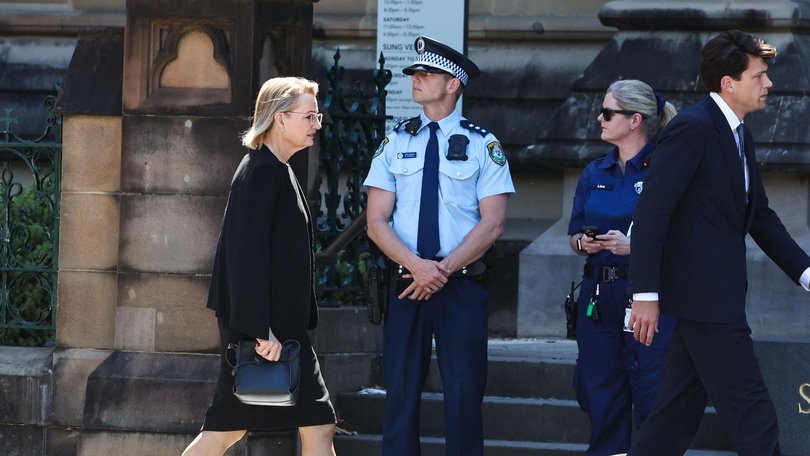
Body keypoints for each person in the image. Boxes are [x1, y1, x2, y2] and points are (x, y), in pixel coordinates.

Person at [627, 30, 810, 456]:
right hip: (707, 303)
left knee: (673, 418)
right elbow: (652, 213)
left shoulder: (738, 132)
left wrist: (806, 272)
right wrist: (645, 294)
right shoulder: (693, 128)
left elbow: (759, 216)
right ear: (729, 83)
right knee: (753, 414)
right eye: (759, 76)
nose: (769, 83)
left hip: (713, 298)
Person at [363, 36, 515, 456]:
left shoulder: (483, 144)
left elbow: (493, 222)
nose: (416, 79)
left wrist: (440, 270)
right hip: (406, 282)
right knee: (399, 393)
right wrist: (417, 267)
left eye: (426, 74)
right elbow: (376, 221)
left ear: (453, 84)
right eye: (415, 73)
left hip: (460, 283)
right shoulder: (395, 141)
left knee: (464, 395)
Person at [183, 77, 336, 456]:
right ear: (280, 119)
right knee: (231, 429)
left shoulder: (277, 168)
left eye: (317, 116)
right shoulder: (261, 172)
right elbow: (242, 257)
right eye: (309, 116)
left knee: (310, 424)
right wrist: (259, 330)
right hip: (263, 330)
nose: (317, 124)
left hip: (279, 326)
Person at [567, 79, 677, 456]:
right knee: (600, 395)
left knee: (652, 393)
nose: (599, 118)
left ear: (635, 120)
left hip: (646, 296)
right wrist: (584, 243)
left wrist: (634, 248)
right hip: (598, 295)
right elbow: (573, 233)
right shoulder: (595, 171)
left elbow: (687, 239)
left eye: (607, 112)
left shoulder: (665, 168)